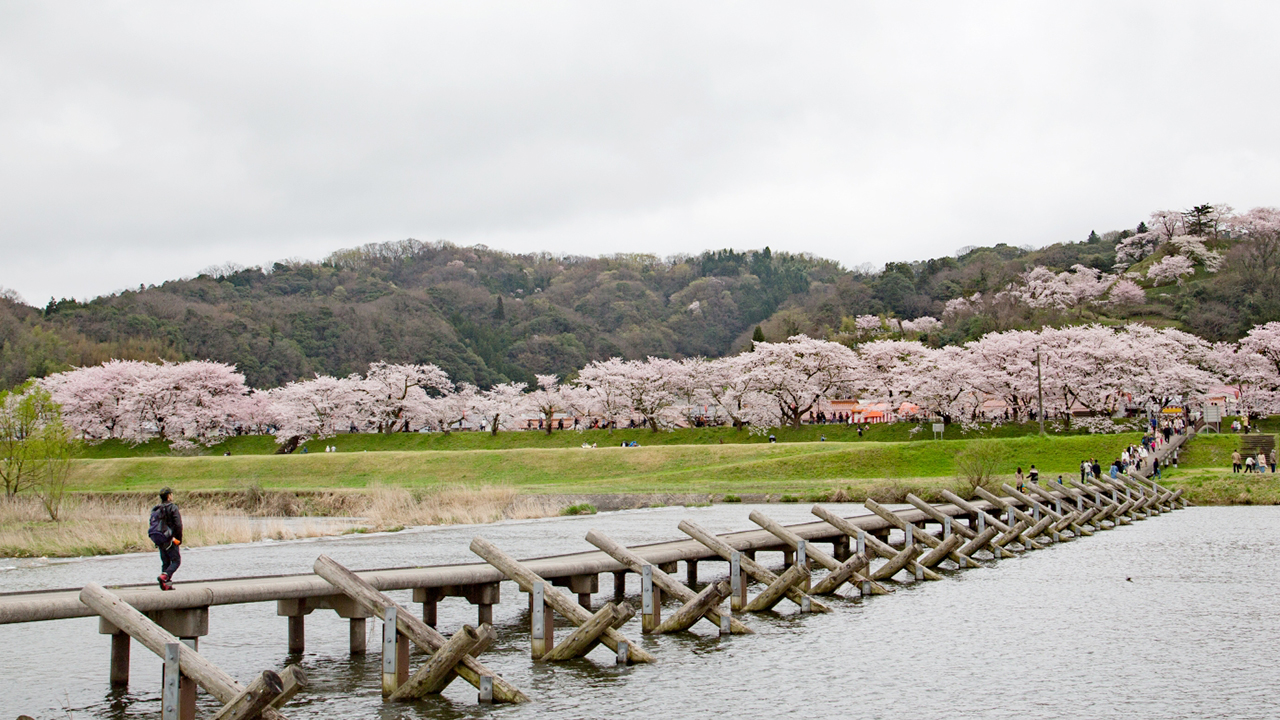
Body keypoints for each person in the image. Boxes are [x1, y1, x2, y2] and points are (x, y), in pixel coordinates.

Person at [148, 488, 183, 591]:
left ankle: (166, 585)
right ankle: (165, 577)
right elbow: (178, 524)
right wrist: (178, 538)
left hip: (159, 538)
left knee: (165, 562)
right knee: (176, 561)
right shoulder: (173, 508)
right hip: (170, 538)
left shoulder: (156, 509)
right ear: (169, 496)